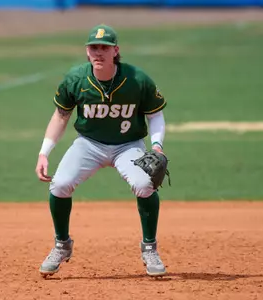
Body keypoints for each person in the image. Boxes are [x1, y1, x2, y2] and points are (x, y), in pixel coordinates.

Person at [35, 24, 168, 278]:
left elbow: (156, 115)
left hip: (128, 146)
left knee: (144, 183)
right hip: (89, 144)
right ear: (87, 51)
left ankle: (149, 248)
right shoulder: (76, 79)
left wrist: (157, 146)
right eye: (93, 47)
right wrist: (44, 152)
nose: (98, 52)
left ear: (115, 51)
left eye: (104, 47)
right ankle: (62, 245)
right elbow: (61, 116)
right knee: (60, 184)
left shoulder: (137, 80)